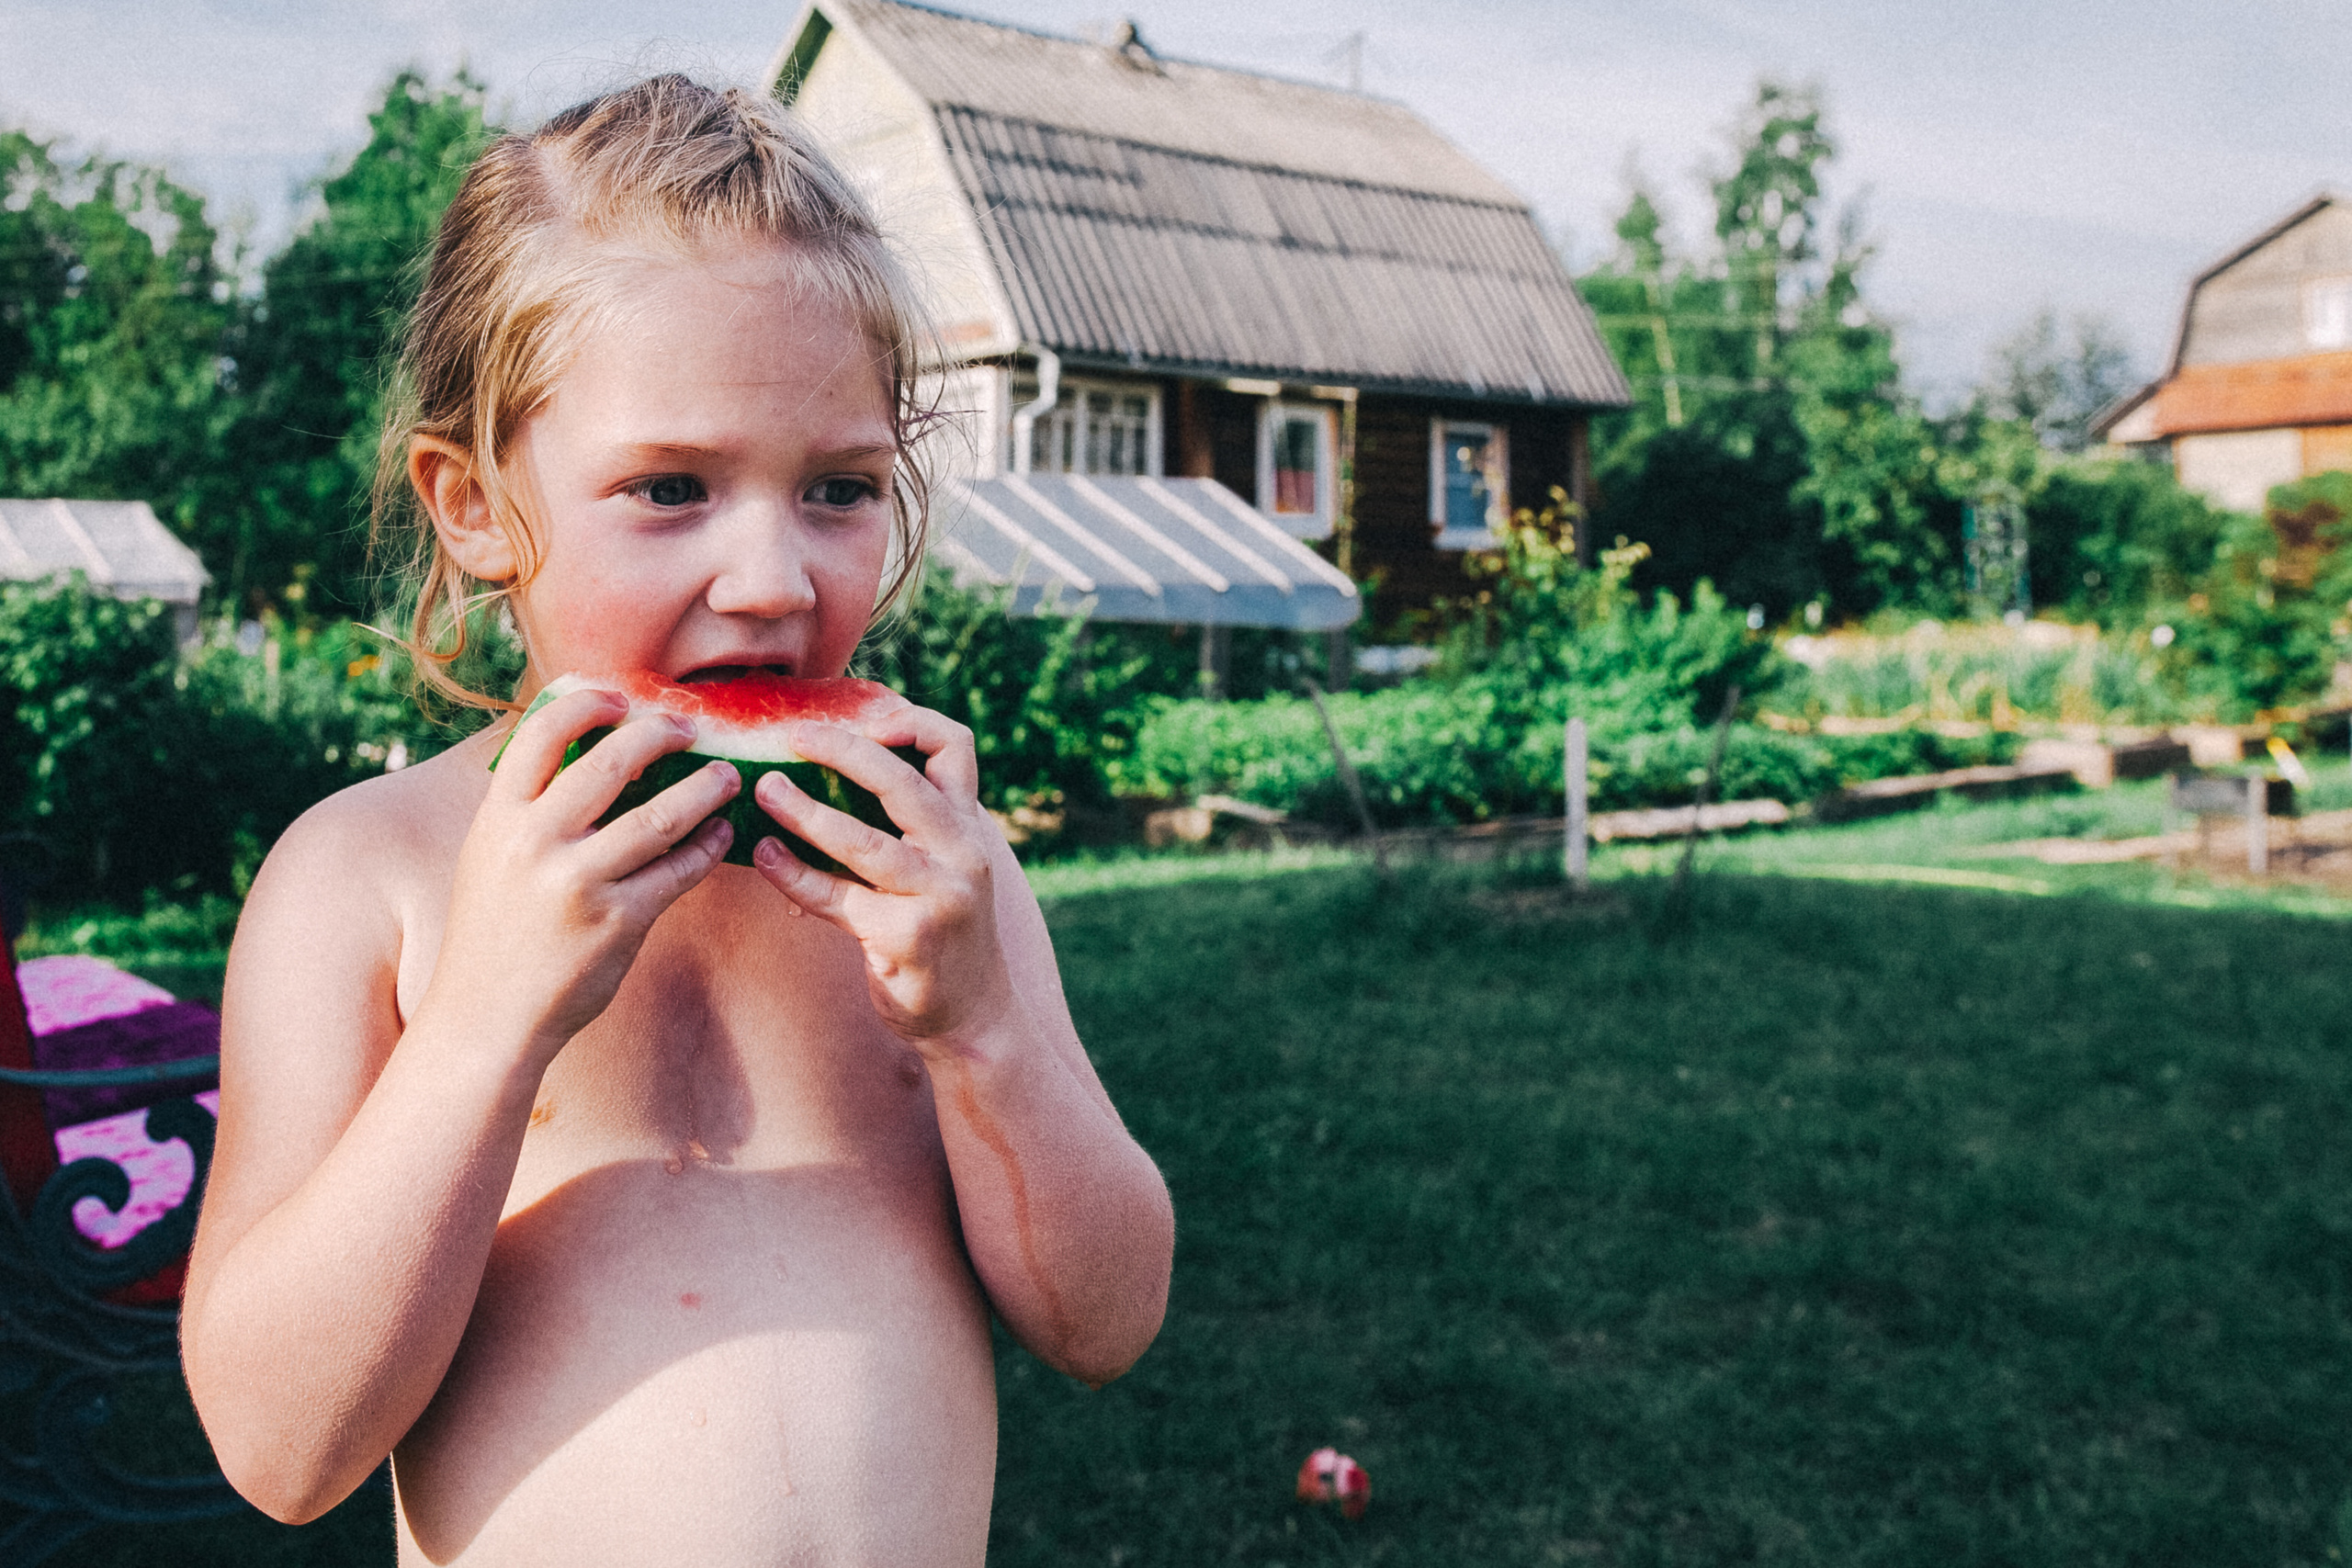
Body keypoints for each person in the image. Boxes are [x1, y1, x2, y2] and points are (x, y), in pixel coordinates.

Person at [180, 76, 1173, 1566]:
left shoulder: (935, 871)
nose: (773, 579)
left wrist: (984, 1032)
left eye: (837, 489)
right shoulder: (367, 879)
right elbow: (281, 1452)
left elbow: (1105, 1323)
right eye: (669, 487)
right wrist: (485, 1025)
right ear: (472, 504)